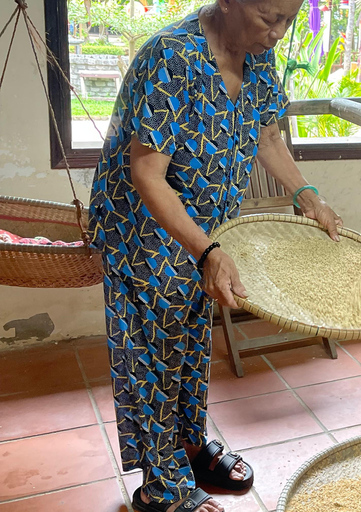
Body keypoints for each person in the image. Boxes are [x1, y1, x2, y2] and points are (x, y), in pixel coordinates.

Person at [87, 1, 342, 511]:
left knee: (190, 338)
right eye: (269, 17)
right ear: (228, 2)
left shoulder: (258, 55)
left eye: (288, 20)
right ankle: (162, 487)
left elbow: (267, 133)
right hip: (143, 227)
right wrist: (206, 249)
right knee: (152, 350)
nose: (278, 32)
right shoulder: (172, 58)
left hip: (207, 230)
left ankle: (190, 444)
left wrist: (306, 194)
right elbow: (146, 176)